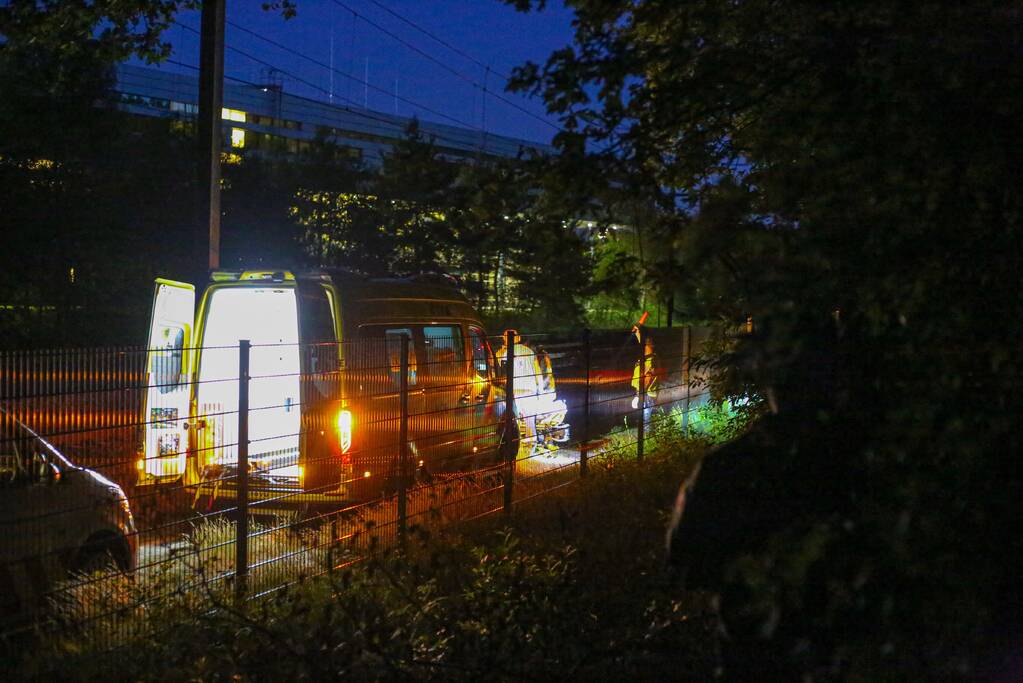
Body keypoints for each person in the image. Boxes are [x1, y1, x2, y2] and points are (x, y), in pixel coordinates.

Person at [494, 330, 544, 447]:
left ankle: (516, 443)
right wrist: (540, 389)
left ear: (505, 338)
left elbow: (496, 365)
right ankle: (531, 442)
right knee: (530, 419)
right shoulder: (529, 352)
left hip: (514, 389)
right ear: (519, 338)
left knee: (514, 418)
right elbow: (538, 372)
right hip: (530, 388)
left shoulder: (504, 353)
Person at [631, 326, 658, 426]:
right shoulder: (646, 358)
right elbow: (641, 343)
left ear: (650, 347)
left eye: (645, 346)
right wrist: (637, 333)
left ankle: (646, 438)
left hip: (646, 395)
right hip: (644, 393)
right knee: (644, 419)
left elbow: (648, 378)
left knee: (645, 420)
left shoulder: (649, 362)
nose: (642, 348)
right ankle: (645, 437)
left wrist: (638, 396)